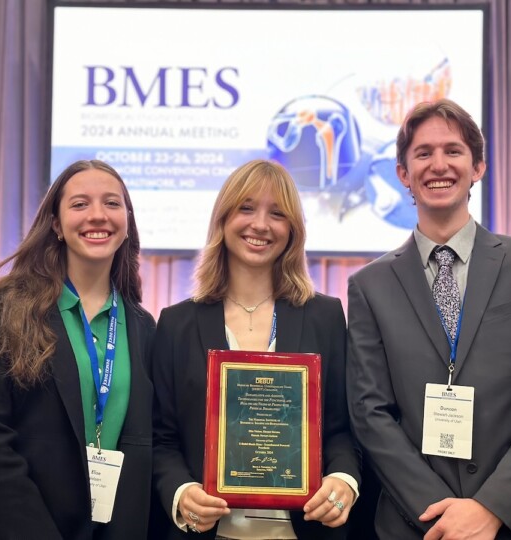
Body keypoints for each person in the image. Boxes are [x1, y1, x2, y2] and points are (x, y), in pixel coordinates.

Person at [346, 99, 511, 539]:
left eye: (453, 151)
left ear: (478, 166)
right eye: (423, 153)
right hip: (419, 525)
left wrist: (490, 507)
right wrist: (444, 516)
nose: (438, 165)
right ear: (403, 173)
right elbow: (370, 414)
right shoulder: (370, 286)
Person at [0, 160, 156, 539]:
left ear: (127, 222)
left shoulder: (141, 326)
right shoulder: (8, 309)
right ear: (56, 224)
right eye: (79, 205)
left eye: (111, 203)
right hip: (7, 528)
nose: (97, 216)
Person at [150, 159, 361, 539]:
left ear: (292, 230)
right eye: (246, 208)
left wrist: (344, 480)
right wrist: (181, 493)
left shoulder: (325, 316)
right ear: (223, 220)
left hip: (303, 531)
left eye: (277, 213)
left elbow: (341, 429)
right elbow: (162, 438)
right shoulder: (176, 323)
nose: (260, 224)